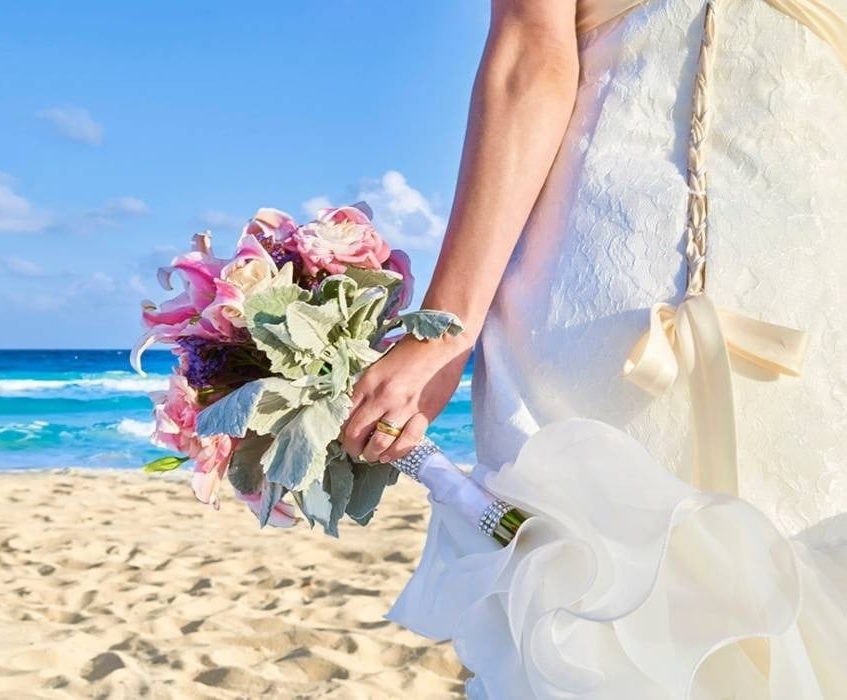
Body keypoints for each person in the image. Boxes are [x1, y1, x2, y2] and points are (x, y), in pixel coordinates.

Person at [342, 0, 847, 696]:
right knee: (592, 610)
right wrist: (443, 334)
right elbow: (529, 51)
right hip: (604, 299)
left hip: (814, 296)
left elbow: (527, 53)